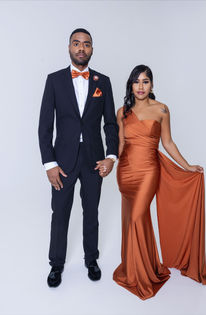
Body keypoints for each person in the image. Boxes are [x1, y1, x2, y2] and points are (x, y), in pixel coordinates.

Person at [113, 65, 206, 300]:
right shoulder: (122, 112)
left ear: (152, 85)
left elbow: (167, 143)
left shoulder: (162, 110)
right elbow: (120, 144)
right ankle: (137, 267)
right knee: (134, 218)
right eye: (136, 82)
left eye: (145, 81)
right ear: (130, 85)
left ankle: (144, 274)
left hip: (148, 171)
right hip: (125, 172)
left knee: (137, 217)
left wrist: (187, 166)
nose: (140, 86)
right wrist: (109, 163)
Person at [38, 28, 119, 287]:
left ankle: (91, 259)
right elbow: (44, 127)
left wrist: (111, 156)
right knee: (60, 212)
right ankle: (56, 264)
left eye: (86, 44)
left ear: (92, 49)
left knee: (91, 211)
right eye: (76, 43)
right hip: (62, 160)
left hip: (94, 159)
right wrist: (49, 163)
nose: (81, 48)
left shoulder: (102, 82)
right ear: (69, 47)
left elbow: (109, 124)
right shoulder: (54, 80)